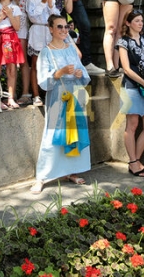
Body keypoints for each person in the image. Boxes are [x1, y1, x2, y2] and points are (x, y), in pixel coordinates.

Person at [30, 14, 91, 193]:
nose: (64, 30)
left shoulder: (71, 49)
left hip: (75, 94)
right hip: (57, 96)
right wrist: (60, 72)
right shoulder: (46, 52)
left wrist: (80, 73)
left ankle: (71, 171)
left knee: (74, 131)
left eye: (66, 27)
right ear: (51, 29)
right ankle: (42, 176)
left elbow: (82, 70)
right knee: (53, 133)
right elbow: (43, 80)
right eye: (59, 27)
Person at [117, 10, 144, 176]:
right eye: (137, 21)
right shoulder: (123, 42)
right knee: (132, 125)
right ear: (128, 23)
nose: (140, 23)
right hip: (132, 86)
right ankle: (134, 163)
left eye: (142, 20)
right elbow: (126, 68)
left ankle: (135, 160)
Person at [26, 0, 63, 106]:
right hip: (37, 31)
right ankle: (36, 95)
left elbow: (56, 16)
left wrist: (50, 3)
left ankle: (50, 92)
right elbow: (33, 16)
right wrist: (43, 2)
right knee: (36, 64)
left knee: (51, 63)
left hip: (49, 32)